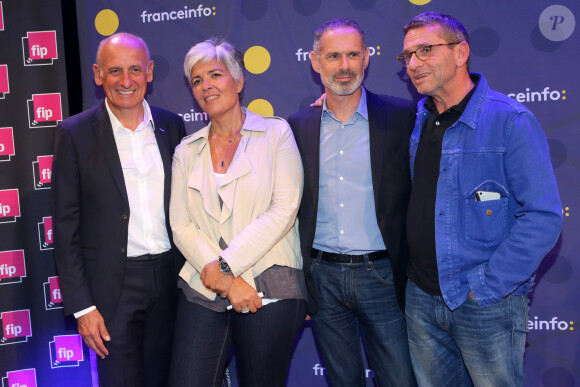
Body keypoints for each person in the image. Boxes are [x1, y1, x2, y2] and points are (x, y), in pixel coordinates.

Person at [399, 11, 563, 386]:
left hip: (485, 302)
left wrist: (487, 286)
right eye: (407, 56)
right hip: (422, 298)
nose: (413, 63)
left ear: (461, 53)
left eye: (425, 50)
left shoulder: (510, 121)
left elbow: (543, 216)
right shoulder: (420, 120)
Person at [168, 37, 307, 387]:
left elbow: (283, 210)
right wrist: (223, 278)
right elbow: (181, 225)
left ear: (239, 81)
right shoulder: (186, 150)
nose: (206, 86)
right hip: (204, 282)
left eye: (214, 75)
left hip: (270, 281)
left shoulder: (276, 133)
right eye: (197, 81)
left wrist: (227, 267)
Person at [52, 33, 186, 386]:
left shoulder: (172, 126)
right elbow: (66, 227)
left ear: (150, 72)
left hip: (171, 283)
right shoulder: (74, 134)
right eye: (115, 71)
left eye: (135, 70)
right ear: (97, 75)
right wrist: (82, 307)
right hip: (111, 289)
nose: (126, 81)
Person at [288, 18, 415, 386]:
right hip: (323, 278)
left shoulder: (403, 117)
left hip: (384, 276)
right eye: (333, 56)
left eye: (352, 55)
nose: (343, 66)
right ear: (315, 62)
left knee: (399, 379)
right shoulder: (297, 127)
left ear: (366, 59)